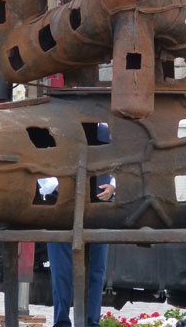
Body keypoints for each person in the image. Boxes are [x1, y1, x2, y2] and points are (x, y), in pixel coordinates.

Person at [42, 123, 115, 327]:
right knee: (61, 271)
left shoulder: (105, 133)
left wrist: (113, 186)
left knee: (96, 271)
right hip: (62, 211)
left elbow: (120, 164)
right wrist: (60, 185)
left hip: (98, 211)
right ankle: (62, 322)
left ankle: (91, 322)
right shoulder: (56, 131)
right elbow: (41, 171)